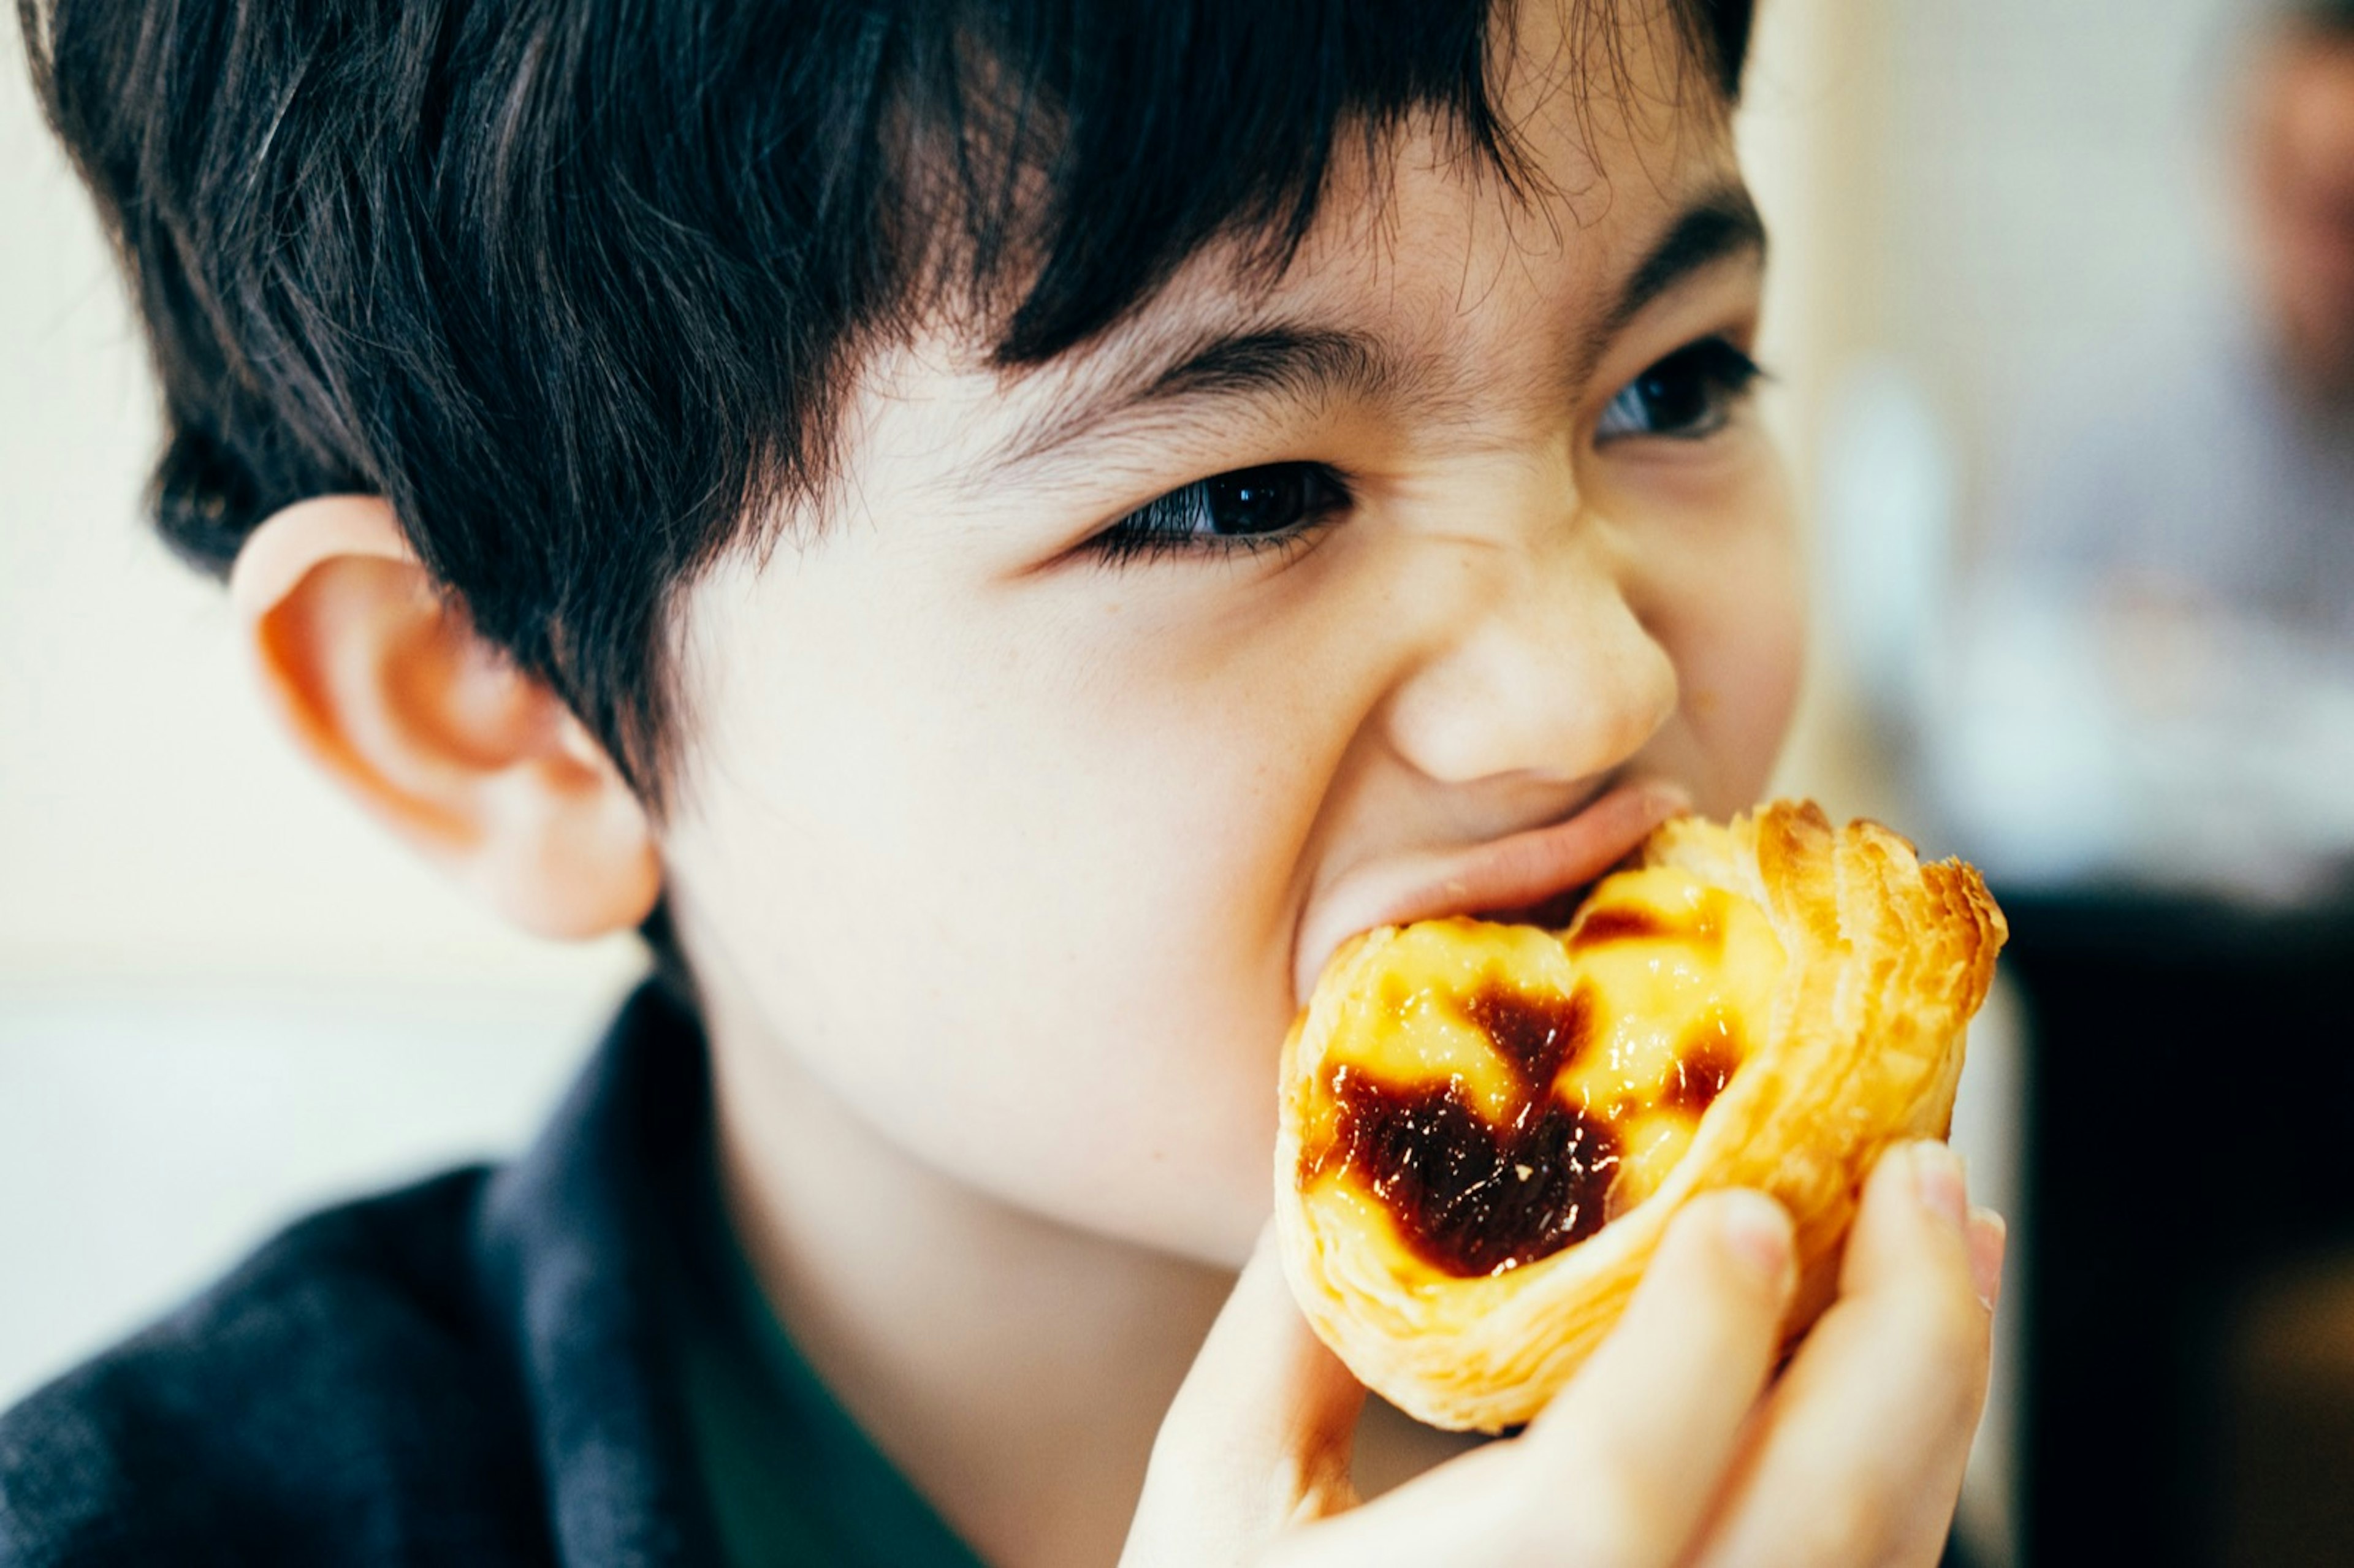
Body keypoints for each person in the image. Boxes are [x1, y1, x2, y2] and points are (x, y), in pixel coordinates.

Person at [0, 2, 2004, 1564]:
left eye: (1675, 384)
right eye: (1239, 494)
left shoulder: (1794, 1427)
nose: (1591, 676)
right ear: (504, 707)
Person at [1933, 0, 2354, 902]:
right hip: (2148, 968)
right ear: (2251, 178)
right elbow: (1984, 766)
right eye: (2321, 206)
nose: (2338, 258)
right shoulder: (2109, 426)